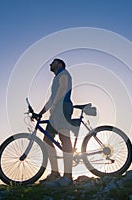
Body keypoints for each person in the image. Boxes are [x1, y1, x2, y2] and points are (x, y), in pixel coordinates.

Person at [39, 58, 73, 186]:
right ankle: (55, 173)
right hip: (56, 109)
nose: (50, 64)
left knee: (64, 138)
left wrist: (54, 105)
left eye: (53, 62)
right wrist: (40, 113)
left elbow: (63, 88)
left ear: (59, 64)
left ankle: (68, 177)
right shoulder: (56, 78)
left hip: (63, 107)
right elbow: (51, 99)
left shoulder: (64, 73)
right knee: (47, 140)